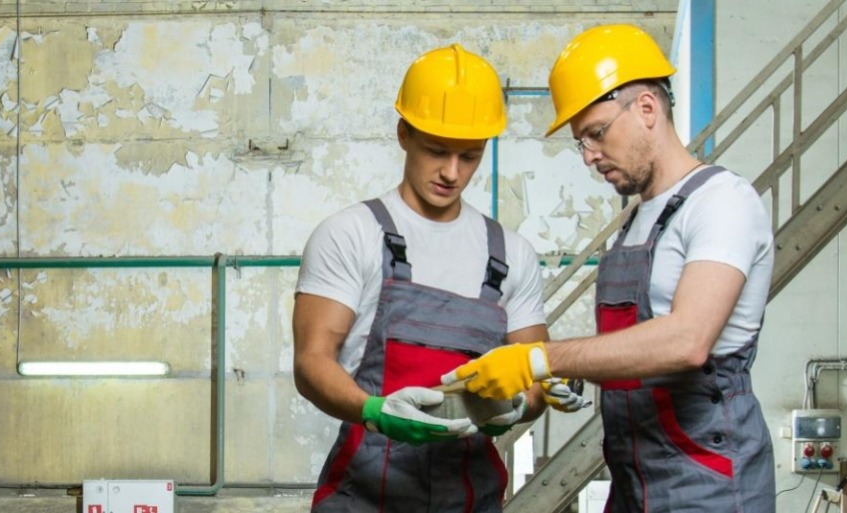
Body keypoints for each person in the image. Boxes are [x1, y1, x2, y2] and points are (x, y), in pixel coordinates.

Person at [441, 24, 777, 511]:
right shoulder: (636, 220)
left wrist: (539, 360)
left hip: (708, 480)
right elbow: (634, 347)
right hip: (634, 478)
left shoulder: (722, 202)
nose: (590, 156)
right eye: (582, 143)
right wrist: (573, 377)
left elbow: (686, 341)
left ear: (646, 108)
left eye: (596, 134)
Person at [293, 43, 579, 513]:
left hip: (470, 500)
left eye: (469, 156)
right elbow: (311, 362)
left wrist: (514, 409)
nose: (451, 173)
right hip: (364, 499)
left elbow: (533, 377)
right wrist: (375, 411)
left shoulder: (511, 255)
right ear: (404, 132)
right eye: (437, 151)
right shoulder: (350, 235)